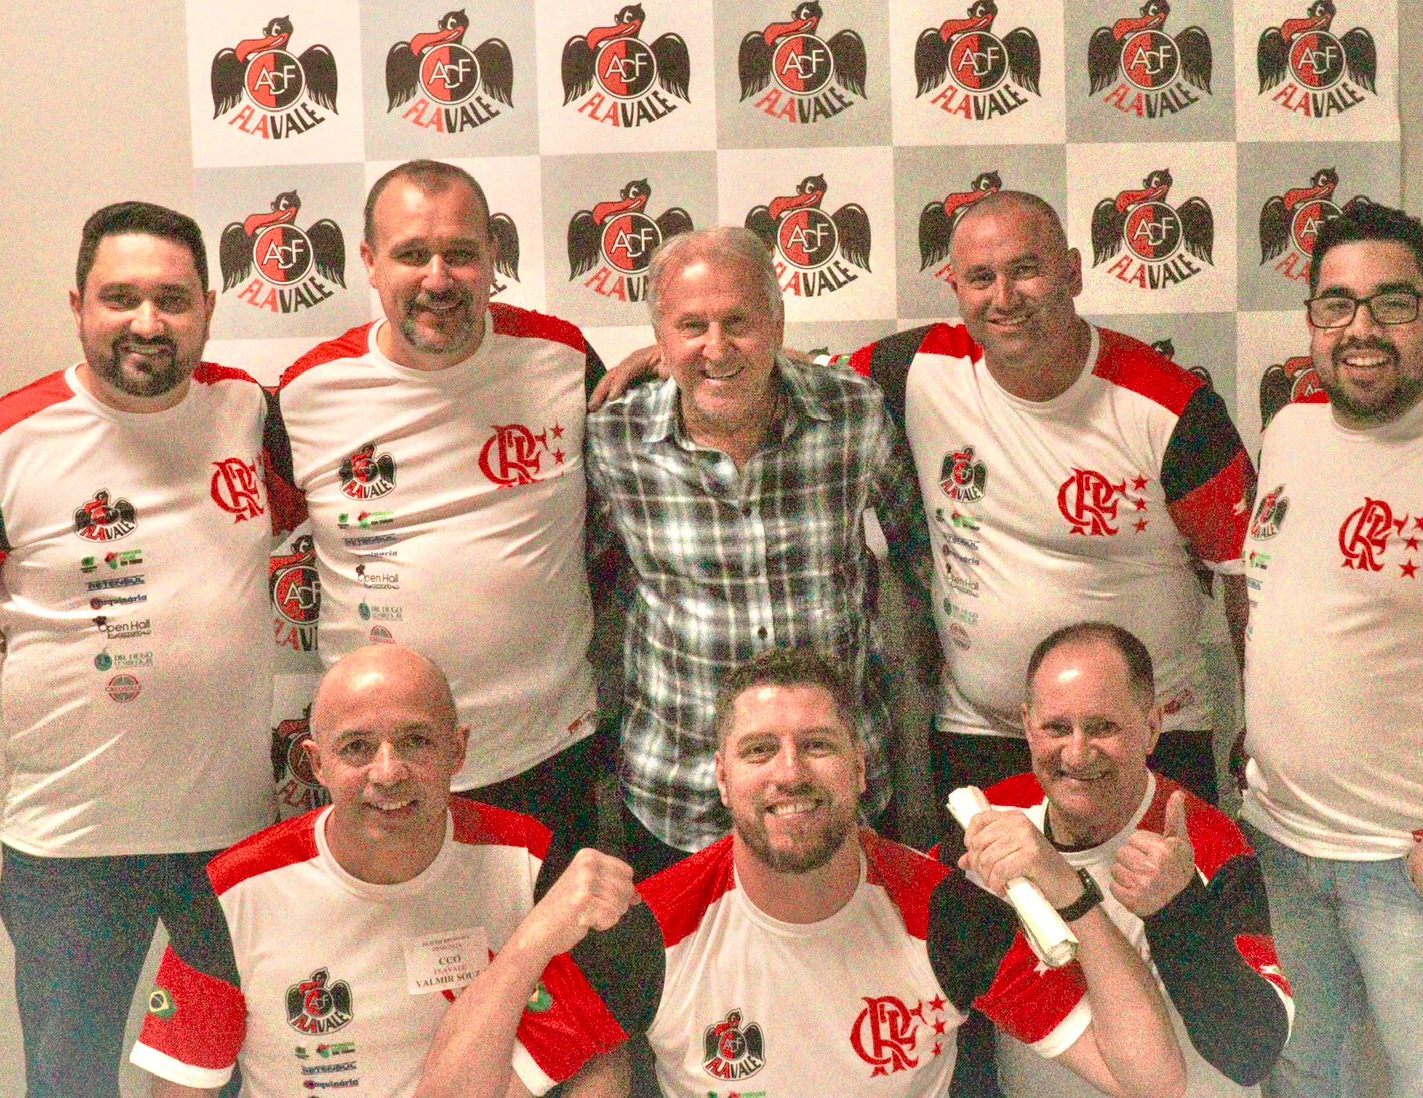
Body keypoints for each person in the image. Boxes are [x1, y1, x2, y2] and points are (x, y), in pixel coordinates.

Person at [593, 192, 1253, 809]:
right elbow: (771, 369)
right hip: (980, 736)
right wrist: (673, 356)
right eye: (981, 278)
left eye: (1026, 270)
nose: (1005, 297)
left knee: (1163, 893)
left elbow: (1246, 576)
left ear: (1075, 272)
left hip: (1148, 738)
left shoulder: (1175, 408)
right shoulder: (916, 368)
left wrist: (1261, 723)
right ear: (956, 288)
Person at [418, 648, 1187, 1098]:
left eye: (817, 745)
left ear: (860, 768)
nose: (790, 773)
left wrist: (1071, 895)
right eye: (760, 751)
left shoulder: (947, 911)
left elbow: (1150, 1078)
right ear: (722, 779)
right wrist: (531, 942)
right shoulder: (650, 930)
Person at [0, 201, 291, 1096]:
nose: (147, 322)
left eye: (172, 299)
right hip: (71, 851)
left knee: (226, 1081)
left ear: (208, 308)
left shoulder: (251, 412)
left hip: (233, 840)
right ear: (78, 305)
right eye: (120, 298)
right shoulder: (2, 443)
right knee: (69, 1084)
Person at [1240, 201, 1423, 1098]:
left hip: (1412, 864)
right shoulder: (1291, 427)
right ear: (1312, 321)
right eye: (1337, 304)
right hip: (1282, 841)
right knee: (1299, 1073)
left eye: (1392, 304)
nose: (1361, 329)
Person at [277, 160, 608, 868]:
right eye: (411, 254)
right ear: (369, 262)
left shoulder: (562, 357)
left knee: (560, 942)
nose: (438, 278)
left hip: (546, 752)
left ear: (493, 256)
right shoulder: (307, 391)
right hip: (382, 769)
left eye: (460, 253)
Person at [129, 646, 629, 1097]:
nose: (388, 773)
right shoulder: (228, 896)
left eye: (417, 741)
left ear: (458, 750)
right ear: (317, 764)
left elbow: (600, 1056)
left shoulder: (535, 862)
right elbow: (181, 1090)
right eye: (356, 747)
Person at [585, 227, 930, 877]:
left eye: (739, 323)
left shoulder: (853, 414)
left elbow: (922, 558)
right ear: (659, 338)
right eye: (692, 326)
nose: (717, 348)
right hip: (679, 799)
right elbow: (577, 586)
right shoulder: (614, 439)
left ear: (777, 323)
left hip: (840, 792)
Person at [975, 622, 1291, 1096]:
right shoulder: (991, 815)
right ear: (1026, 725)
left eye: (1103, 728)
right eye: (1056, 728)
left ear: (1152, 727)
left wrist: (1178, 911)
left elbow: (1252, 1054)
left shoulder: (1207, 843)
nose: (1077, 755)